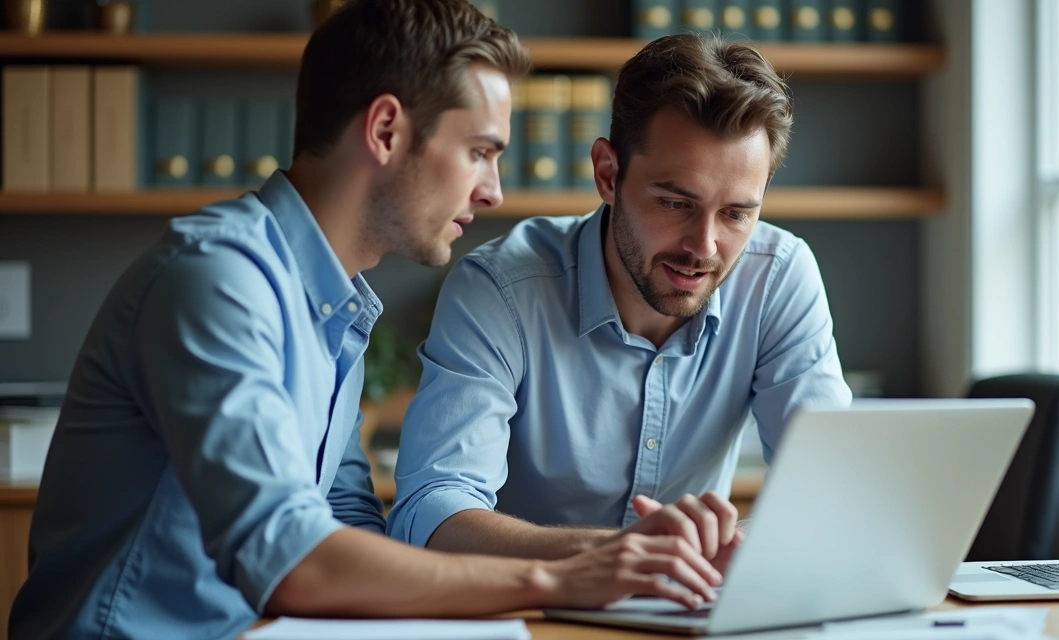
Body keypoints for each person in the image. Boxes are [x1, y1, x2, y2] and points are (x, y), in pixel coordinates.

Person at [10, 3, 724, 639]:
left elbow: (349, 527)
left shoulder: (334, 304)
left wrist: (607, 555)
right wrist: (558, 579)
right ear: (386, 129)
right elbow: (293, 558)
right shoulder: (219, 281)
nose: (494, 191)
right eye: (479, 151)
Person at [389, 34, 853, 572]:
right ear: (608, 174)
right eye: (676, 203)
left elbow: (831, 487)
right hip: (531, 615)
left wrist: (736, 541)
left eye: (735, 214)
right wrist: (618, 556)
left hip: (687, 613)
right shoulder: (500, 290)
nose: (704, 247)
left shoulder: (779, 277)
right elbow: (430, 513)